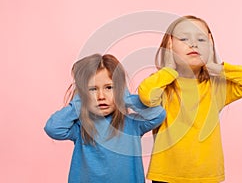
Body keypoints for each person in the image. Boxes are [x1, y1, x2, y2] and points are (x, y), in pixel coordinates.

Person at [138, 15, 242, 183]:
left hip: (207, 176)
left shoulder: (216, 86)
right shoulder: (163, 83)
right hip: (166, 175)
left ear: (210, 46)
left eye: (201, 39)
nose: (193, 44)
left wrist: (215, 67)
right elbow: (146, 95)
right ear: (169, 46)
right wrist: (169, 69)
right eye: (183, 38)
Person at [44, 53, 166, 183]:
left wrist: (126, 98)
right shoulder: (82, 126)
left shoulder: (132, 124)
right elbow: (53, 128)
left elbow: (158, 115)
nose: (101, 96)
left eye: (109, 87)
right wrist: (80, 101)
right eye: (92, 89)